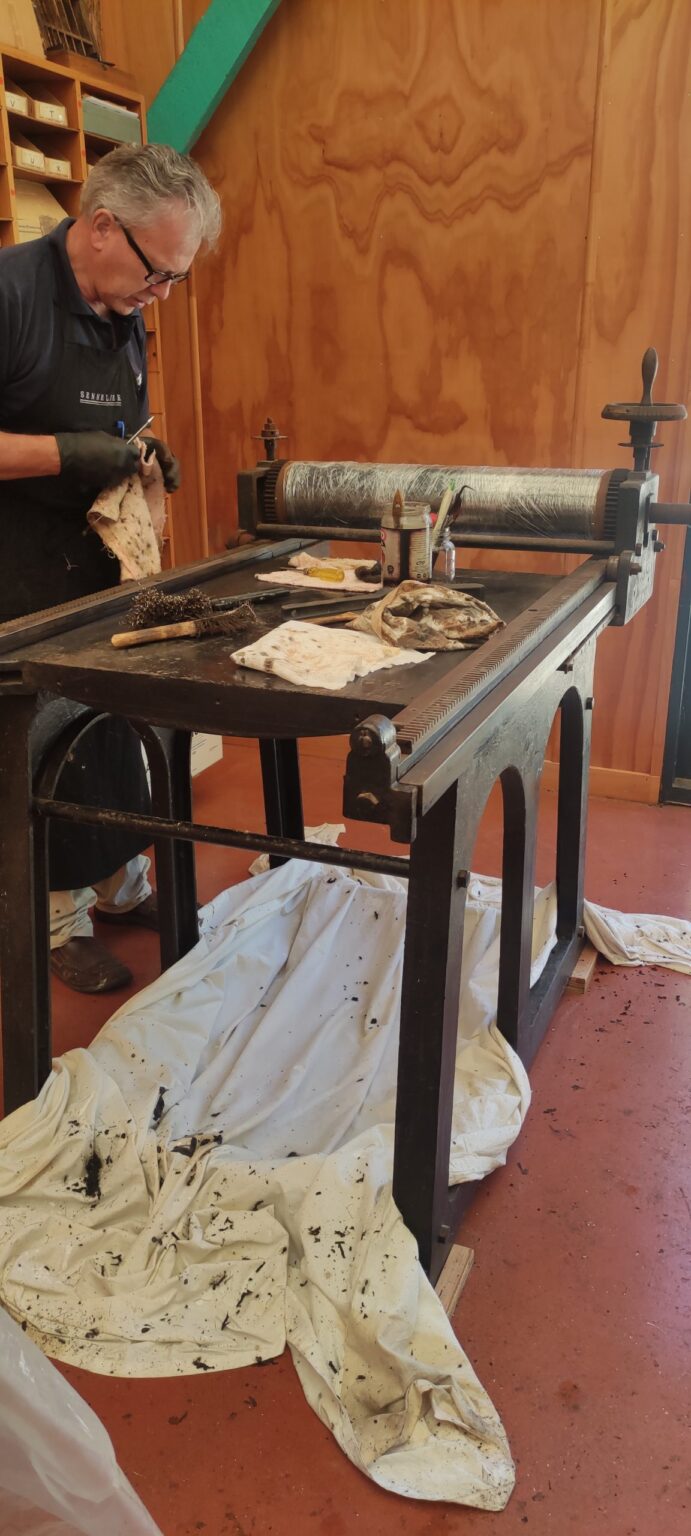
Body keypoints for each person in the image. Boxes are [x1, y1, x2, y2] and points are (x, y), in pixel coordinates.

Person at [0, 144, 221, 993]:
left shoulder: (122, 308)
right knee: (40, 746)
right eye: (157, 272)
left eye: (174, 278)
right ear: (101, 227)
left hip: (93, 564)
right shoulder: (13, 295)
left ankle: (121, 886)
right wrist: (65, 453)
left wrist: (141, 453)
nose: (161, 293)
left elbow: (121, 416)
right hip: (14, 569)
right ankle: (57, 923)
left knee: (111, 733)